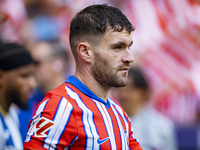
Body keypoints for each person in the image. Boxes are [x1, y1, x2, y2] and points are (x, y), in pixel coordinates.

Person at [23, 4, 142, 150]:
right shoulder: (60, 107)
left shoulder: (118, 111)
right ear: (85, 52)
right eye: (118, 47)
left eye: (128, 47)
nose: (130, 58)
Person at [18, 39, 70, 141]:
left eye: (37, 63)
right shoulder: (27, 103)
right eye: (29, 64)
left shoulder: (77, 100)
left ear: (58, 64)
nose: (32, 69)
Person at [116, 67, 178, 150]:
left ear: (143, 92)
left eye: (129, 89)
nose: (123, 95)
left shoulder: (161, 125)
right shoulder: (111, 123)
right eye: (120, 89)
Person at [0, 42, 36, 150]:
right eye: (24, 76)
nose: (33, 84)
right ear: (1, 77)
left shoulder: (12, 114)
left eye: (33, 76)